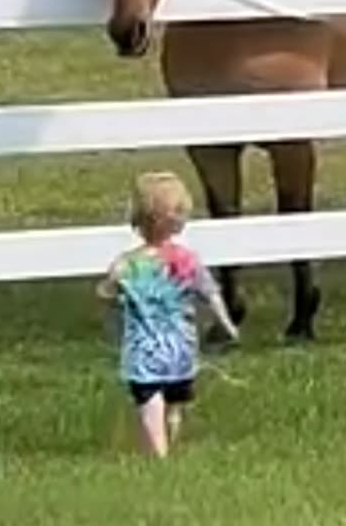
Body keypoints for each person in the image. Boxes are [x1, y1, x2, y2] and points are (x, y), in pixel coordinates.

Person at [95, 171, 240, 458]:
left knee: (150, 400)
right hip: (180, 348)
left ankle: (158, 452)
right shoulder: (186, 261)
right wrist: (226, 323)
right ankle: (167, 446)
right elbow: (210, 292)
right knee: (176, 402)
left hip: (144, 350)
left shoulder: (128, 264)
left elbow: (106, 292)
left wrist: (109, 305)